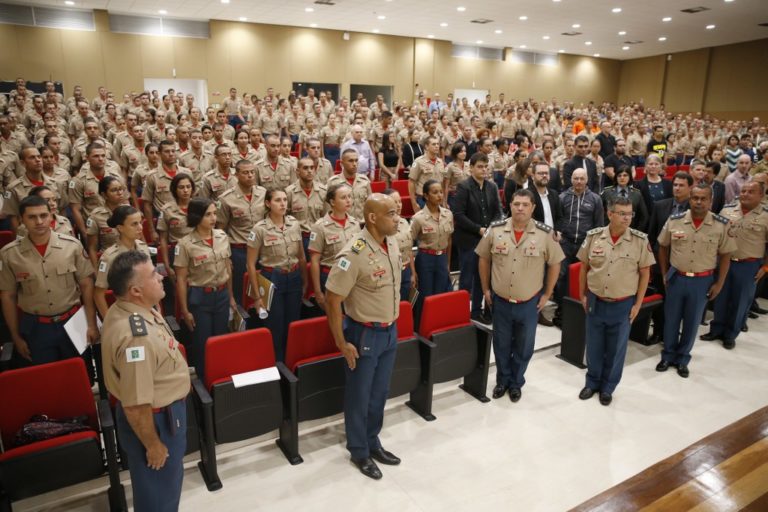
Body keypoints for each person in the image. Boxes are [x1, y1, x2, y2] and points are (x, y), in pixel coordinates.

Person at [101, 250, 190, 512]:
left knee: (163, 489)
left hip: (160, 417)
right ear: (136, 290)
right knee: (159, 497)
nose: (161, 276)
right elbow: (135, 404)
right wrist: (153, 445)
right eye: (153, 275)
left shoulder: (132, 309)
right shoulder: (134, 336)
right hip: (156, 423)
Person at [324, 194, 402, 480]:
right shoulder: (353, 254)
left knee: (379, 393)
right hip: (364, 333)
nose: (397, 219)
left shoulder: (390, 242)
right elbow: (332, 300)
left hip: (389, 331)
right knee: (360, 395)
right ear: (372, 217)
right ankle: (359, 450)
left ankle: (373, 441)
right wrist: (341, 343)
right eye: (392, 214)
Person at [476, 189, 563, 402]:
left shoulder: (545, 234)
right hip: (501, 301)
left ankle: (516, 382)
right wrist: (485, 289)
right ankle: (502, 381)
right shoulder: (495, 230)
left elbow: (555, 264)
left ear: (533, 207)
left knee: (524, 346)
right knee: (502, 344)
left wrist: (547, 294)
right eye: (516, 204)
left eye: (525, 204)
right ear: (510, 205)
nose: (520, 208)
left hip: (529, 303)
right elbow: (484, 259)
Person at [0, 195, 98, 368]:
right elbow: (8, 296)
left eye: (43, 215)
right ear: (22, 219)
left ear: (51, 216)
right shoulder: (9, 255)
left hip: (72, 323)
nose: (39, 221)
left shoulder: (72, 246)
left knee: (79, 376)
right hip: (36, 327)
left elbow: (86, 285)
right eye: (31, 217)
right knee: (46, 379)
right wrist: (15, 336)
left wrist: (91, 324)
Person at [577, 197, 655, 405]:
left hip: (622, 303)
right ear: (610, 214)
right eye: (622, 213)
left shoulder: (640, 241)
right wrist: (582, 295)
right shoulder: (594, 237)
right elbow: (584, 267)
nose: (627, 218)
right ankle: (592, 382)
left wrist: (638, 304)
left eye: (630, 214)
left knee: (616, 349)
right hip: (596, 299)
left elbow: (645, 274)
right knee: (593, 346)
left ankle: (608, 387)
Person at [656, 184, 736, 378]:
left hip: (702, 281)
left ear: (710, 201)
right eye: (695, 198)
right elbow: (663, 246)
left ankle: (683, 358)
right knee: (672, 319)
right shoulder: (675, 221)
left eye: (703, 199)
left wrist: (719, 283)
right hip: (676, 277)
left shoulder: (721, 224)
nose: (699, 202)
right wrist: (665, 273)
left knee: (692, 322)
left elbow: (726, 255)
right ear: (689, 199)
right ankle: (667, 355)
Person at [701, 181, 768, 349]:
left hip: (748, 265)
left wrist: (765, 267)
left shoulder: (766, 216)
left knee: (740, 302)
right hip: (724, 262)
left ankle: (730, 334)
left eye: (751, 191)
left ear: (761, 195)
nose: (745, 194)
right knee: (720, 298)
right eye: (743, 190)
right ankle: (716, 329)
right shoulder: (727, 210)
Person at [174, 197, 235, 380]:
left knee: (221, 342)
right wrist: (185, 310)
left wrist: (231, 297)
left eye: (215, 213)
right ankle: (204, 384)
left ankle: (221, 381)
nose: (213, 218)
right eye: (208, 214)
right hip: (200, 298)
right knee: (203, 345)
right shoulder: (185, 244)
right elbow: (181, 279)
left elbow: (227, 268)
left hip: (222, 295)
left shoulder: (222, 237)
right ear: (196, 216)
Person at [246, 189, 307, 362]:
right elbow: (250, 264)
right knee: (275, 325)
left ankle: (291, 362)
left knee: (293, 324)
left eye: (285, 200)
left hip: (294, 276)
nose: (282, 204)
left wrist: (305, 281)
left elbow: (301, 256)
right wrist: (257, 296)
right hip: (272, 278)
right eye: (277, 200)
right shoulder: (259, 229)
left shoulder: (294, 224)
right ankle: (277, 364)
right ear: (267, 203)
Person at [452, 152, 502, 323]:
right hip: (469, 239)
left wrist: (492, 228)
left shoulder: (492, 187)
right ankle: (462, 313)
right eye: (479, 166)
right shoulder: (464, 187)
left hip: (488, 239)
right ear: (471, 168)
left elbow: (498, 212)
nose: (483, 170)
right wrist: (478, 229)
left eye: (485, 166)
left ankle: (477, 312)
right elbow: (458, 214)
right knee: (467, 278)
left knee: (483, 276)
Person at [646, 171, 693, 344]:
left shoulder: (694, 209)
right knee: (660, 299)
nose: (677, 188)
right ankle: (658, 331)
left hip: (682, 263)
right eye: (675, 185)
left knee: (678, 303)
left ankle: (673, 334)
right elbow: (651, 236)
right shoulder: (660, 206)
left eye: (681, 185)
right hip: (660, 262)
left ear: (690, 188)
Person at [554, 168, 604, 327]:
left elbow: (599, 224)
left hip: (585, 243)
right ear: (571, 180)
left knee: (583, 277)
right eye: (576, 178)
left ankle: (580, 307)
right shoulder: (562, 198)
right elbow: (558, 220)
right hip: (566, 243)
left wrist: (594, 243)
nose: (579, 182)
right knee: (562, 277)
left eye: (582, 178)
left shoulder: (595, 199)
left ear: (587, 179)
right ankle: (561, 309)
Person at [217, 159, 267, 305]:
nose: (250, 175)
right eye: (245, 173)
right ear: (236, 174)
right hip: (240, 249)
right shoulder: (226, 199)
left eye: (252, 172)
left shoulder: (263, 193)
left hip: (262, 248)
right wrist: (226, 256)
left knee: (263, 285)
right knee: (241, 288)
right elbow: (220, 230)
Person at [308, 183, 361, 309]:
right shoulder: (320, 226)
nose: (348, 200)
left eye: (349, 196)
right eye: (343, 198)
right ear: (332, 202)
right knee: (335, 318)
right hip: (331, 276)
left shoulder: (355, 223)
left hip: (353, 276)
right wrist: (317, 291)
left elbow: (359, 251)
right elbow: (314, 261)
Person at [94, 206, 152, 319]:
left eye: (140, 223)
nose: (140, 227)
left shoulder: (143, 248)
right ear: (120, 228)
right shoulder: (109, 257)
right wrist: (108, 321)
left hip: (147, 307)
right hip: (125, 313)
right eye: (134, 224)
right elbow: (98, 294)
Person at [411, 180, 453, 318]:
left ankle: (437, 322)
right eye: (435, 192)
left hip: (442, 257)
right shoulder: (418, 218)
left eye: (441, 192)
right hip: (425, 259)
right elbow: (407, 245)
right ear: (426, 196)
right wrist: (413, 270)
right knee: (426, 295)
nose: (440, 195)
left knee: (441, 294)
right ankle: (422, 327)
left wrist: (447, 263)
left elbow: (449, 240)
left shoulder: (448, 214)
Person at [286, 157, 328, 257]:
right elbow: (285, 219)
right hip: (297, 238)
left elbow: (326, 217)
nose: (309, 171)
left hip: (318, 237)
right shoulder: (289, 192)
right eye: (305, 168)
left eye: (312, 168)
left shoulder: (323, 191)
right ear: (297, 171)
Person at [382, 188, 416, 301]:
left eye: (400, 201)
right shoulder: (380, 227)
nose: (399, 205)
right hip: (390, 273)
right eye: (394, 202)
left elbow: (409, 250)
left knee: (405, 305)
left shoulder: (404, 222)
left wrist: (413, 273)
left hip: (405, 271)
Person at [86, 175, 127, 268]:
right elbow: (92, 248)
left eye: (121, 189)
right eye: (114, 190)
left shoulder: (129, 211)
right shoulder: (96, 216)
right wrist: (96, 271)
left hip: (130, 260)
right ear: (104, 195)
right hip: (110, 262)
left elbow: (139, 239)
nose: (120, 193)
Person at [327, 149, 372, 221]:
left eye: (356, 160)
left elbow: (370, 205)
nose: (354, 164)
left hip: (362, 225)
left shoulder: (364, 180)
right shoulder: (333, 182)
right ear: (342, 163)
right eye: (350, 161)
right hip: (343, 226)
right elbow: (328, 208)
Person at [601, 166, 649, 231]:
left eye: (625, 175)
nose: (622, 178)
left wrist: (637, 231)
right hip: (609, 230)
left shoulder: (637, 194)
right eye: (619, 175)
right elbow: (599, 212)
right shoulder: (607, 192)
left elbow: (644, 216)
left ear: (630, 177)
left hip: (630, 230)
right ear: (616, 177)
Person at [407, 136, 445, 212]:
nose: (437, 146)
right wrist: (414, 203)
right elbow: (411, 182)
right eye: (434, 144)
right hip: (424, 199)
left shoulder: (440, 162)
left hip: (438, 198)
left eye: (438, 144)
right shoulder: (419, 162)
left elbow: (442, 182)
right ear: (427, 147)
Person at [443, 142, 470, 210]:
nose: (464, 153)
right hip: (455, 196)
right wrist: (445, 202)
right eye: (461, 151)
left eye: (465, 151)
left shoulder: (468, 165)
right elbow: (446, 186)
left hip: (467, 196)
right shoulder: (450, 166)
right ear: (456, 153)